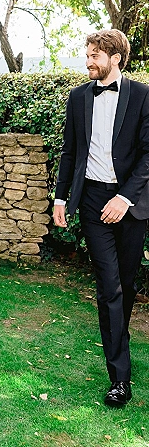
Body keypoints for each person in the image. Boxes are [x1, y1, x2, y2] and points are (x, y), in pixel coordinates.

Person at [54, 29, 149, 408]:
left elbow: (147, 155)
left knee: (124, 286)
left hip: (130, 203)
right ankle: (119, 378)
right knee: (109, 285)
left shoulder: (142, 96)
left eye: (96, 55)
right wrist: (60, 198)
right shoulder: (78, 97)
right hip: (92, 201)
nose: (89, 61)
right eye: (88, 54)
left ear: (116, 57)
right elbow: (70, 152)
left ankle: (118, 344)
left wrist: (125, 198)